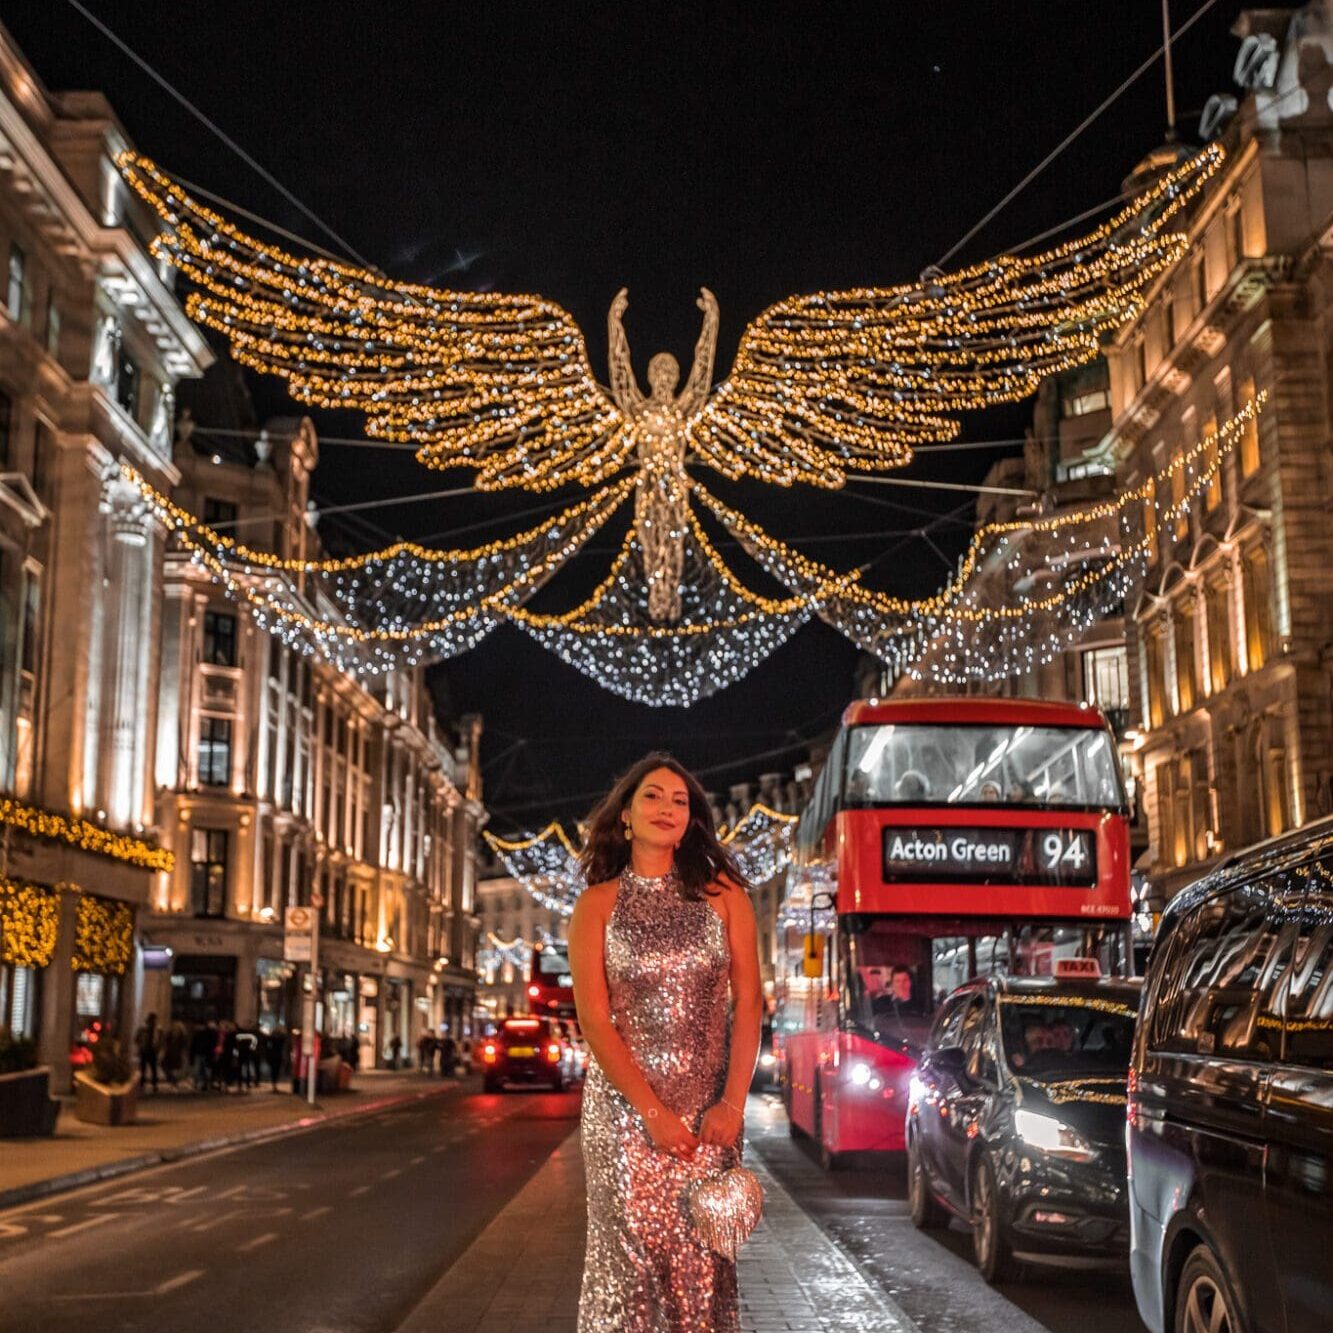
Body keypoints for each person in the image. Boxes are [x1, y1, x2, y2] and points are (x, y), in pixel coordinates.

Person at [568, 753, 763, 1333]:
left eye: (680, 800)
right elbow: (595, 1020)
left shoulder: (724, 895)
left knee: (700, 1262)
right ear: (625, 815)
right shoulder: (596, 905)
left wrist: (732, 1104)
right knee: (629, 1265)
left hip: (709, 1116)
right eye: (653, 796)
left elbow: (748, 1003)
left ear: (693, 819)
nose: (667, 808)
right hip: (625, 1119)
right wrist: (650, 1112)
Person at [134, 1012, 161, 1093]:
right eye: (153, 1020)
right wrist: (140, 1046)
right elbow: (136, 1039)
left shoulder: (157, 1030)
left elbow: (160, 1041)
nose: (154, 1022)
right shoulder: (143, 1029)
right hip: (145, 1050)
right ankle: (142, 1084)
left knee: (153, 1069)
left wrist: (158, 1049)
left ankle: (154, 1084)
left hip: (153, 1051)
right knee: (143, 1069)